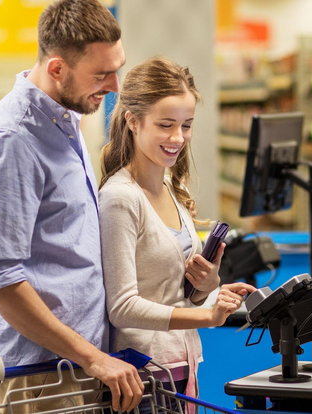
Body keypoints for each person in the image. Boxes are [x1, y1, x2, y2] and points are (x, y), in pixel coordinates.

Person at [0, 0, 143, 412]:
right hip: (38, 374)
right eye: (101, 74)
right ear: (57, 68)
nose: (115, 85)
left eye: (117, 68)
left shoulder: (64, 118)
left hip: (74, 362)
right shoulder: (12, 140)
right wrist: (93, 357)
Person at [98, 57, 257, 404]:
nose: (177, 137)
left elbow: (174, 293)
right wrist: (205, 315)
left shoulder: (171, 185)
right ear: (133, 121)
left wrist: (206, 286)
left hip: (180, 367)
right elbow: (122, 307)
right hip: (141, 376)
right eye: (165, 124)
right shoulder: (120, 199)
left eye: (186, 125)